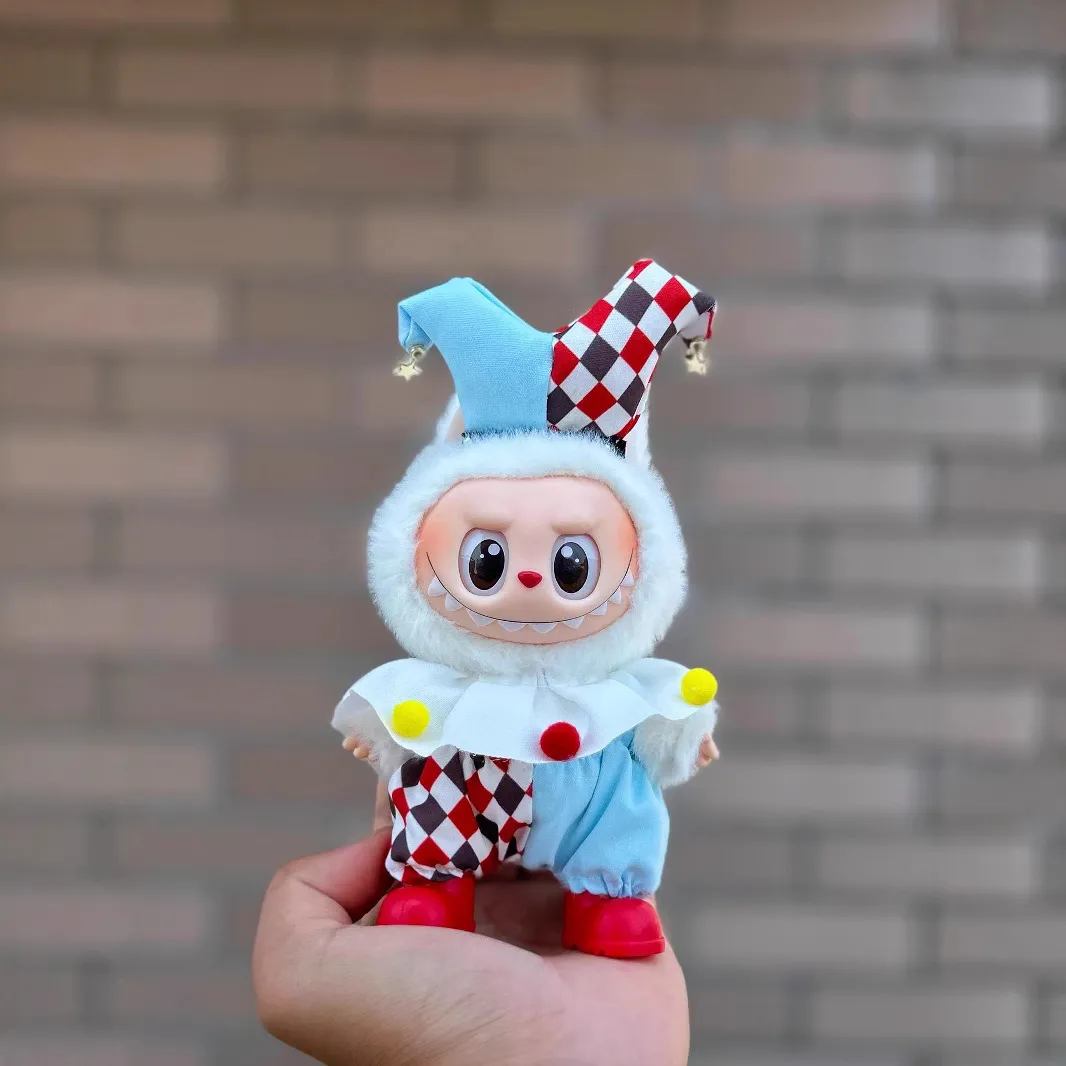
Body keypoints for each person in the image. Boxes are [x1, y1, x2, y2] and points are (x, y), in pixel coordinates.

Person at [252, 787, 691, 1066]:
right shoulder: (444, 693)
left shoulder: (616, 694)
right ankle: (437, 884)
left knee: (614, 805)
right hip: (466, 768)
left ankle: (606, 897)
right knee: (435, 792)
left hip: (582, 772)